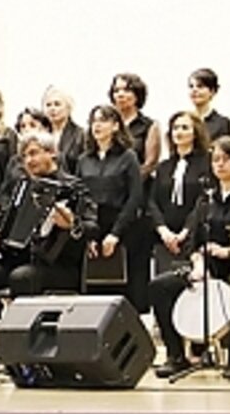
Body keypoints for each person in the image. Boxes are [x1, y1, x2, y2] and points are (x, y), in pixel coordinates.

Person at [0, 131, 98, 372]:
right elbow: (3, 221)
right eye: (24, 156)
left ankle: (25, 356)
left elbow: (93, 227)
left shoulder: (74, 188)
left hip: (57, 266)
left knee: (22, 277)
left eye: (33, 154)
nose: (28, 161)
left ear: (52, 153)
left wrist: (72, 224)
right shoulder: (20, 187)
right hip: (15, 261)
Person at [148, 137, 230, 377]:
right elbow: (194, 241)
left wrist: (228, 251)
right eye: (215, 160)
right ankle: (176, 355)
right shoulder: (207, 199)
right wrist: (198, 264)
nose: (220, 164)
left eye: (226, 159)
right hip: (206, 266)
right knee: (159, 287)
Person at [77, 105, 142, 299]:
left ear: (115, 126)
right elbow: (80, 197)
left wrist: (115, 234)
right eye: (94, 121)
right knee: (94, 289)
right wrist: (88, 236)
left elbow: (135, 197)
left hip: (120, 226)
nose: (97, 125)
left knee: (120, 288)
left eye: (103, 120)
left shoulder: (128, 157)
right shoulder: (84, 159)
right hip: (92, 226)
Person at [109, 73, 161, 312]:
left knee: (137, 264)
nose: (121, 94)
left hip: (138, 198)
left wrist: (126, 182)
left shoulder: (148, 125)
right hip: (111, 200)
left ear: (137, 95)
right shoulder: (108, 123)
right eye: (117, 90)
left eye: (126, 90)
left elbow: (150, 163)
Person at [148, 111, 211, 274]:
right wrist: (163, 230)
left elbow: (203, 200)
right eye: (175, 128)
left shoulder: (207, 163)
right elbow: (152, 200)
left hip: (193, 237)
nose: (179, 132)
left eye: (185, 127)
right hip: (165, 238)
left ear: (195, 133)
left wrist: (185, 232)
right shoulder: (164, 166)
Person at [42, 85, 86, 174]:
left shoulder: (80, 135)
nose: (52, 109)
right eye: (48, 105)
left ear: (68, 108)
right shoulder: (41, 135)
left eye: (57, 104)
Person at [188, 68, 230, 140]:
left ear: (212, 91)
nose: (194, 90)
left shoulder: (222, 123)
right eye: (191, 86)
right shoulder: (184, 120)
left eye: (200, 86)